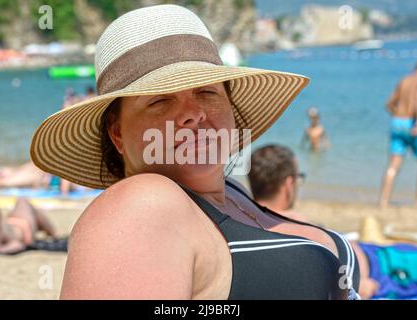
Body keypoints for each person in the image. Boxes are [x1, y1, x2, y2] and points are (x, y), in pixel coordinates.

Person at [30, 5, 359, 299]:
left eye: (206, 91)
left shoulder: (228, 194)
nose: (193, 113)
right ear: (117, 133)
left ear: (230, 106)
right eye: (159, 100)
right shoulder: (140, 207)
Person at [247, 144, 417, 299]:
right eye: (298, 177)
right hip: (382, 272)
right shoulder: (288, 226)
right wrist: (359, 287)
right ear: (288, 183)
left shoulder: (248, 218)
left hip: (369, 254)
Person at [380, 61, 417, 208]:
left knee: (393, 165)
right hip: (413, 123)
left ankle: (384, 201)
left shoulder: (404, 80)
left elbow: (389, 104)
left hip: (397, 122)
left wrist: (398, 116)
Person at [0, 188, 57, 254]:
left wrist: (15, 245)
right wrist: (15, 245)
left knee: (23, 202)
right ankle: (52, 232)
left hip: (20, 228)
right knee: (22, 203)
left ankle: (52, 233)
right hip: (17, 228)